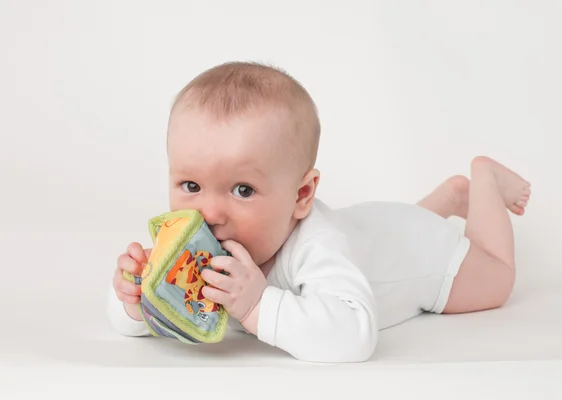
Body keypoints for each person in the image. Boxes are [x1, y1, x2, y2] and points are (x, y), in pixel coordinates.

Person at [107, 61, 531, 363]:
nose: (211, 212)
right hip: (379, 228)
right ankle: (452, 197)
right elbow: (158, 319)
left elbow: (353, 336)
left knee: (497, 281)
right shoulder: (197, 248)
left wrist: (257, 307)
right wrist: (136, 303)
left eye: (242, 189)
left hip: (425, 254)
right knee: (388, 231)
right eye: (191, 186)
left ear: (301, 195)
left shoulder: (318, 247)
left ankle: (484, 183)